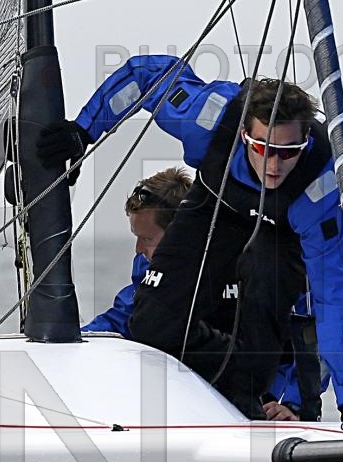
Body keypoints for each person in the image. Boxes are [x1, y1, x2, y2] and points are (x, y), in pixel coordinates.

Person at [40, 57, 343, 420]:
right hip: (214, 206)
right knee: (151, 323)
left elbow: (335, 297)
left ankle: (251, 394)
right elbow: (147, 78)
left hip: (280, 232)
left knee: (265, 297)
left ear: (305, 140)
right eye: (261, 148)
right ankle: (222, 384)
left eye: (287, 152)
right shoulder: (210, 120)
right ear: (244, 133)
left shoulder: (320, 190)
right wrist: (83, 131)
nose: (273, 165)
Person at [85, 164, 327, 422]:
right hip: (195, 396)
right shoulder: (150, 268)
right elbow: (124, 316)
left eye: (146, 239)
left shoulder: (253, 260)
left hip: (264, 396)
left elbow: (312, 332)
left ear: (179, 233)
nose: (138, 249)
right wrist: (74, 339)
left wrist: (294, 404)